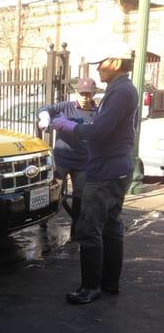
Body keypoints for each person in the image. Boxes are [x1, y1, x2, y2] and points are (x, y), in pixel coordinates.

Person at [50, 43, 138, 304]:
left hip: (105, 172)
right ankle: (109, 283)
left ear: (115, 62)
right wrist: (78, 123)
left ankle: (90, 288)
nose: (98, 68)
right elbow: (102, 124)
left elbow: (99, 131)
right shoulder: (121, 90)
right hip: (117, 169)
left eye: (102, 62)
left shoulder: (120, 92)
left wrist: (66, 125)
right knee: (111, 227)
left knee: (89, 229)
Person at [38, 78, 98, 236]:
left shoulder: (97, 113)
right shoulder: (66, 106)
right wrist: (45, 117)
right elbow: (46, 109)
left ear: (93, 94)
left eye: (88, 94)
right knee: (54, 190)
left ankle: (76, 227)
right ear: (76, 93)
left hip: (83, 161)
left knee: (80, 194)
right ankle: (43, 218)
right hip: (62, 158)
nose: (85, 97)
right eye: (82, 93)